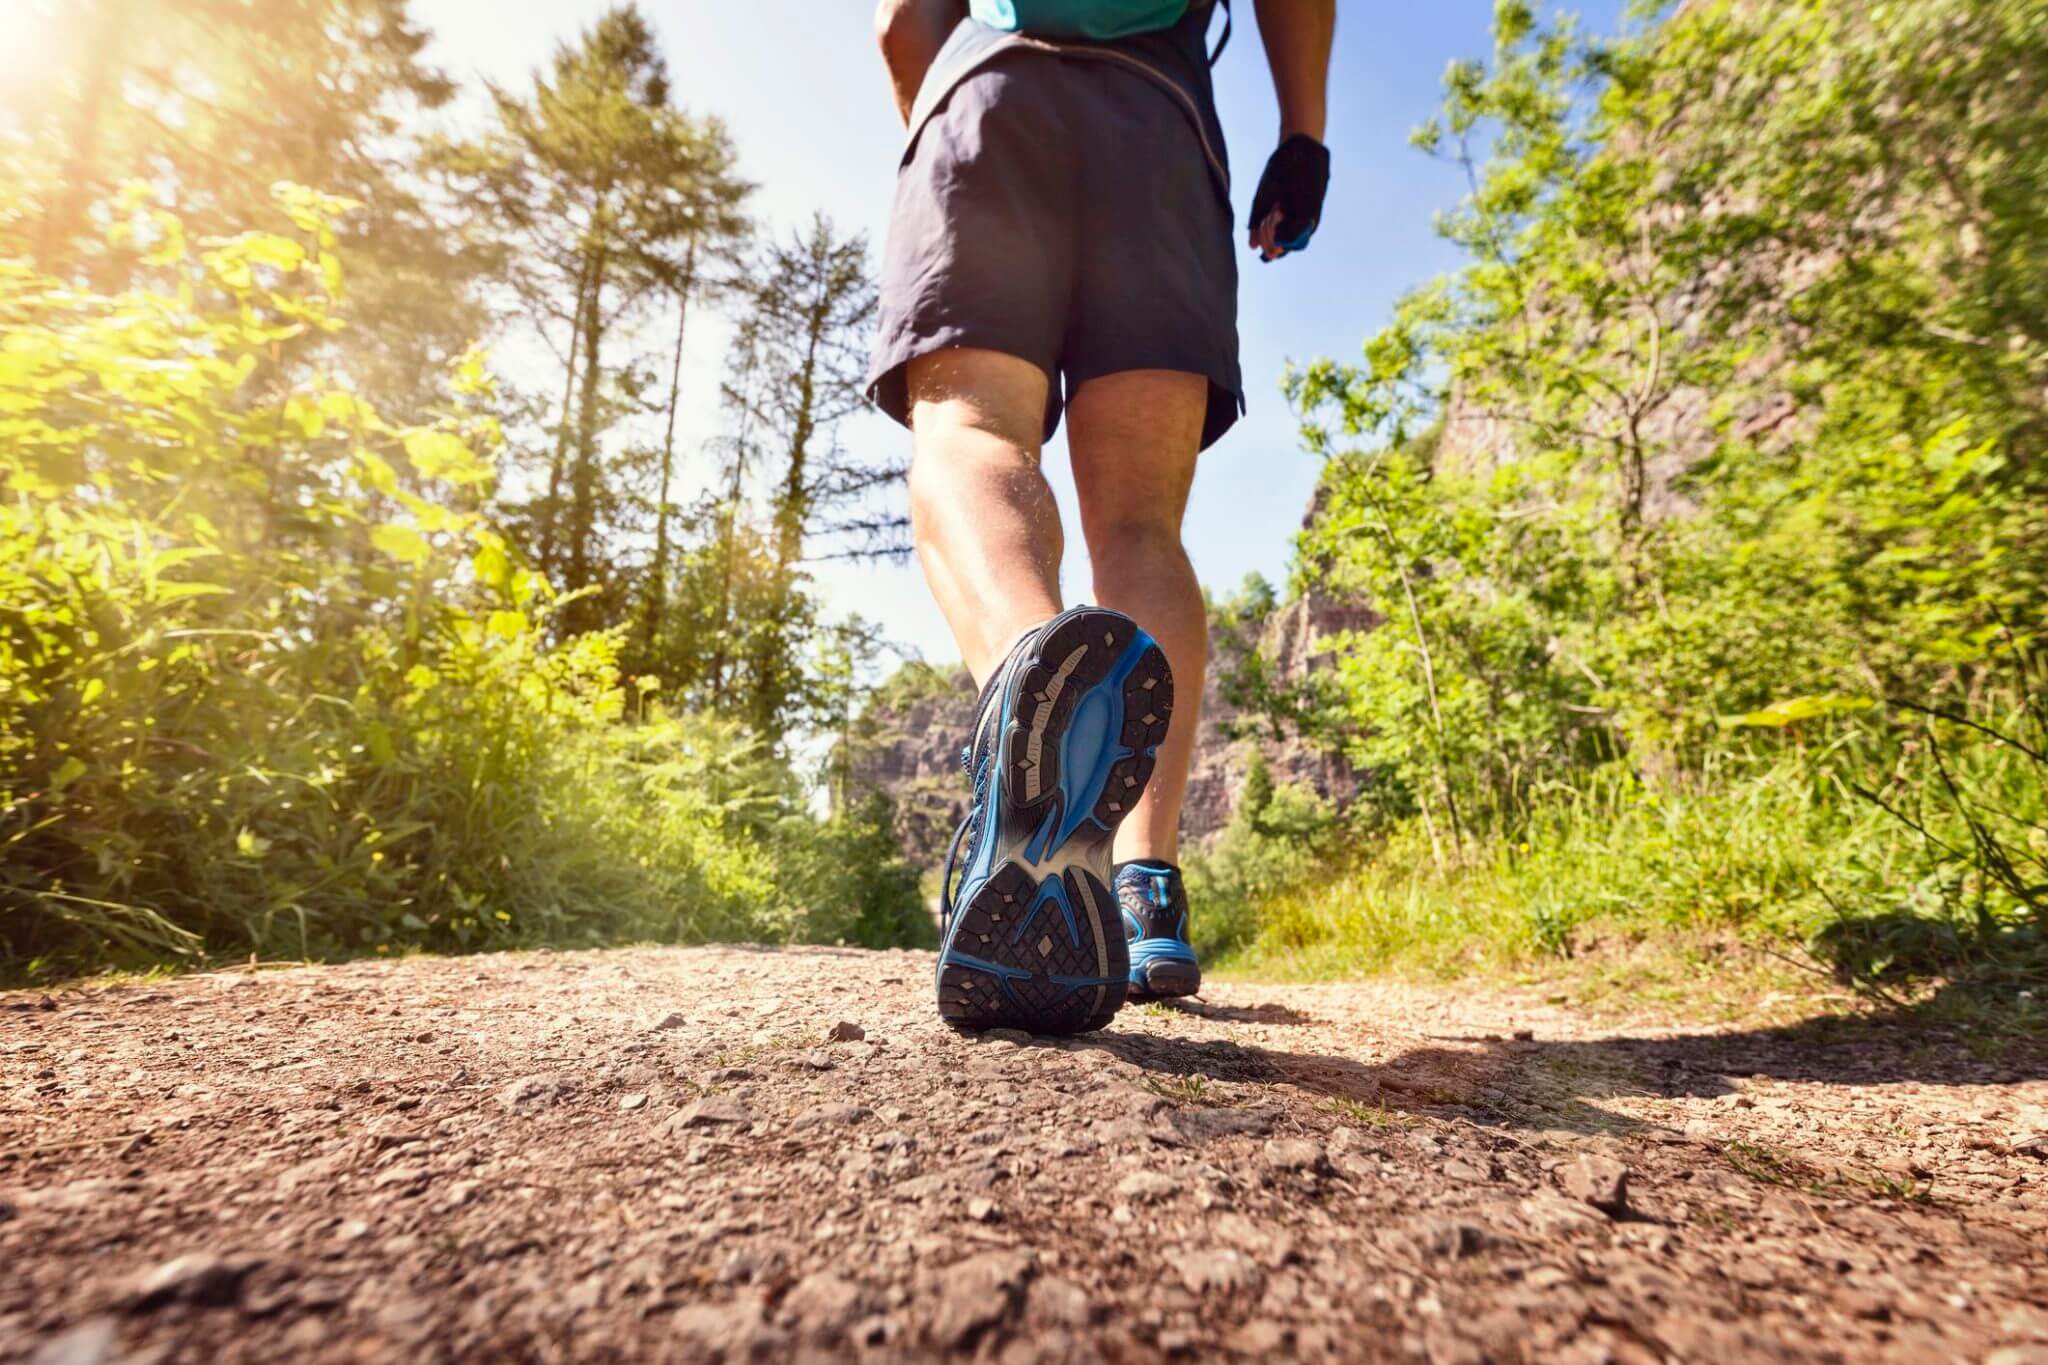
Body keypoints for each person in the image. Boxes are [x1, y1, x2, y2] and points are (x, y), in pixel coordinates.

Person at [868, 0, 1334, 1033]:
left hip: (987, 98)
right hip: (1160, 129)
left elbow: (902, 22)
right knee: (1140, 526)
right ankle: (1143, 888)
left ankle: (1030, 688)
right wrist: (1303, 135)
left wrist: (939, 134)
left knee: (971, 434)